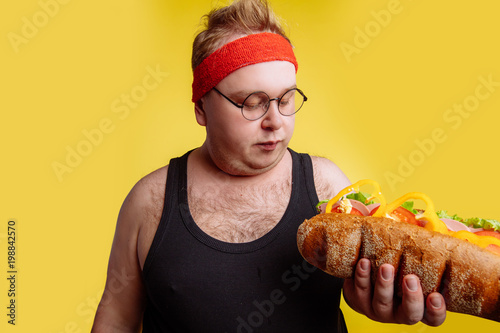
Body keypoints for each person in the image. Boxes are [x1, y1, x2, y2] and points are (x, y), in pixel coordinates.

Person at [91, 0, 447, 331]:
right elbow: (117, 318)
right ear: (201, 108)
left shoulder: (328, 187)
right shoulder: (149, 202)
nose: (276, 121)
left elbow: (369, 283)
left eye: (287, 99)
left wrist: (380, 297)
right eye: (252, 103)